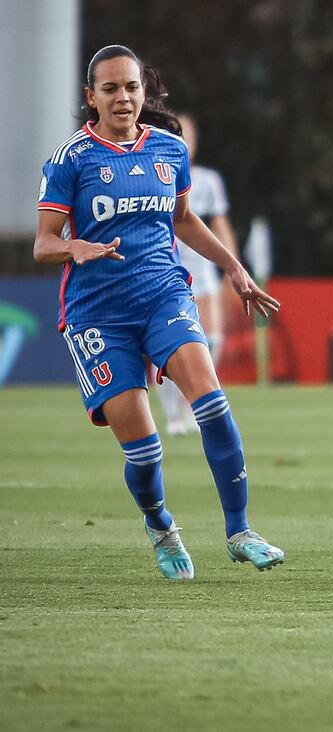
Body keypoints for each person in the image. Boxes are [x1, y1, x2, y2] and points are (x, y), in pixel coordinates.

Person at [34, 44, 285, 580]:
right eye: (111, 89)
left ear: (143, 92)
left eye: (131, 87)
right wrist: (73, 248)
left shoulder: (169, 150)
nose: (123, 98)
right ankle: (161, 525)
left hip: (164, 295)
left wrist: (234, 268)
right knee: (145, 452)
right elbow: (43, 243)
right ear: (91, 97)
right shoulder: (71, 160)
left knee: (212, 403)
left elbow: (186, 220)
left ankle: (240, 530)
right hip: (97, 315)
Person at [154, 112, 240, 436]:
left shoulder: (207, 180)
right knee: (163, 342)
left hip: (201, 262)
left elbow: (221, 225)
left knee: (212, 337)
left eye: (188, 134)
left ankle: (195, 402)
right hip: (166, 261)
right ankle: (173, 414)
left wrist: (233, 265)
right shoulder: (154, 173)